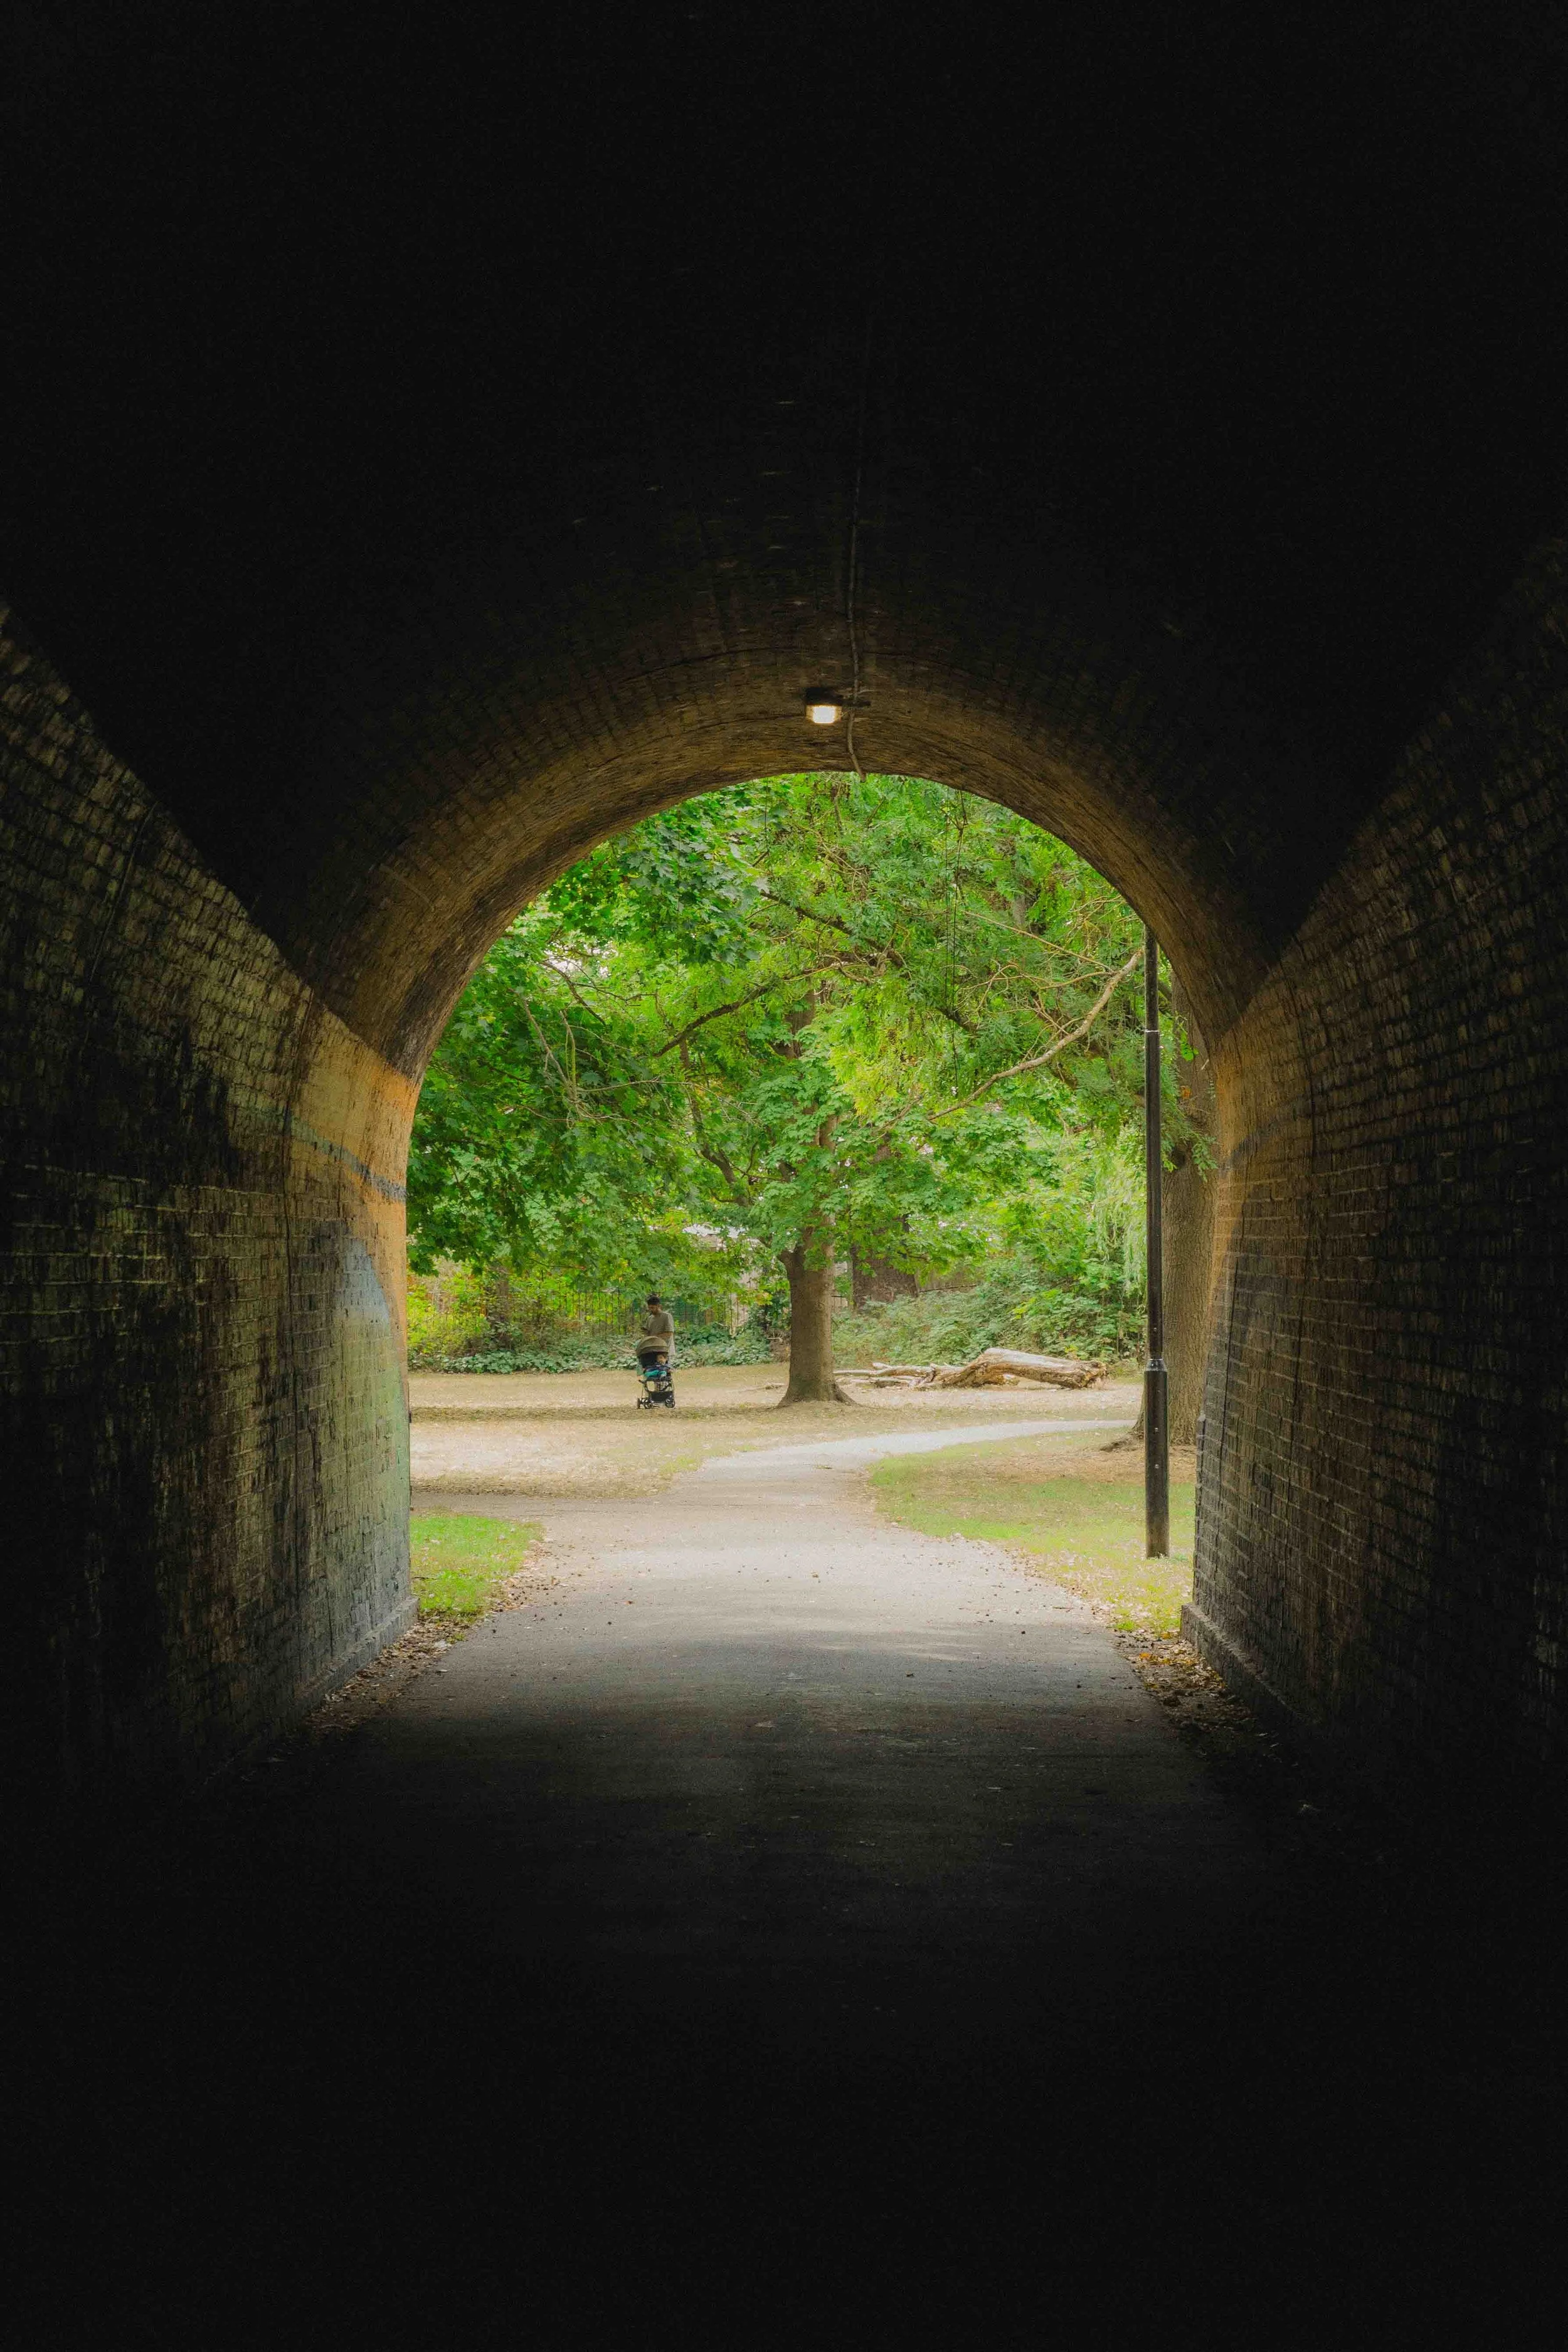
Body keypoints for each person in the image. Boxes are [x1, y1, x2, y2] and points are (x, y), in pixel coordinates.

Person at [637, 1293, 674, 1360]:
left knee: (664, 1369)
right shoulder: (650, 1318)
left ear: (659, 1306)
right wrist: (645, 1332)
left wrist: (654, 1337)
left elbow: (669, 1333)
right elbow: (648, 1334)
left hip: (664, 1350)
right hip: (653, 1349)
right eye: (649, 1308)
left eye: (652, 1308)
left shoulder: (667, 1316)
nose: (651, 1310)